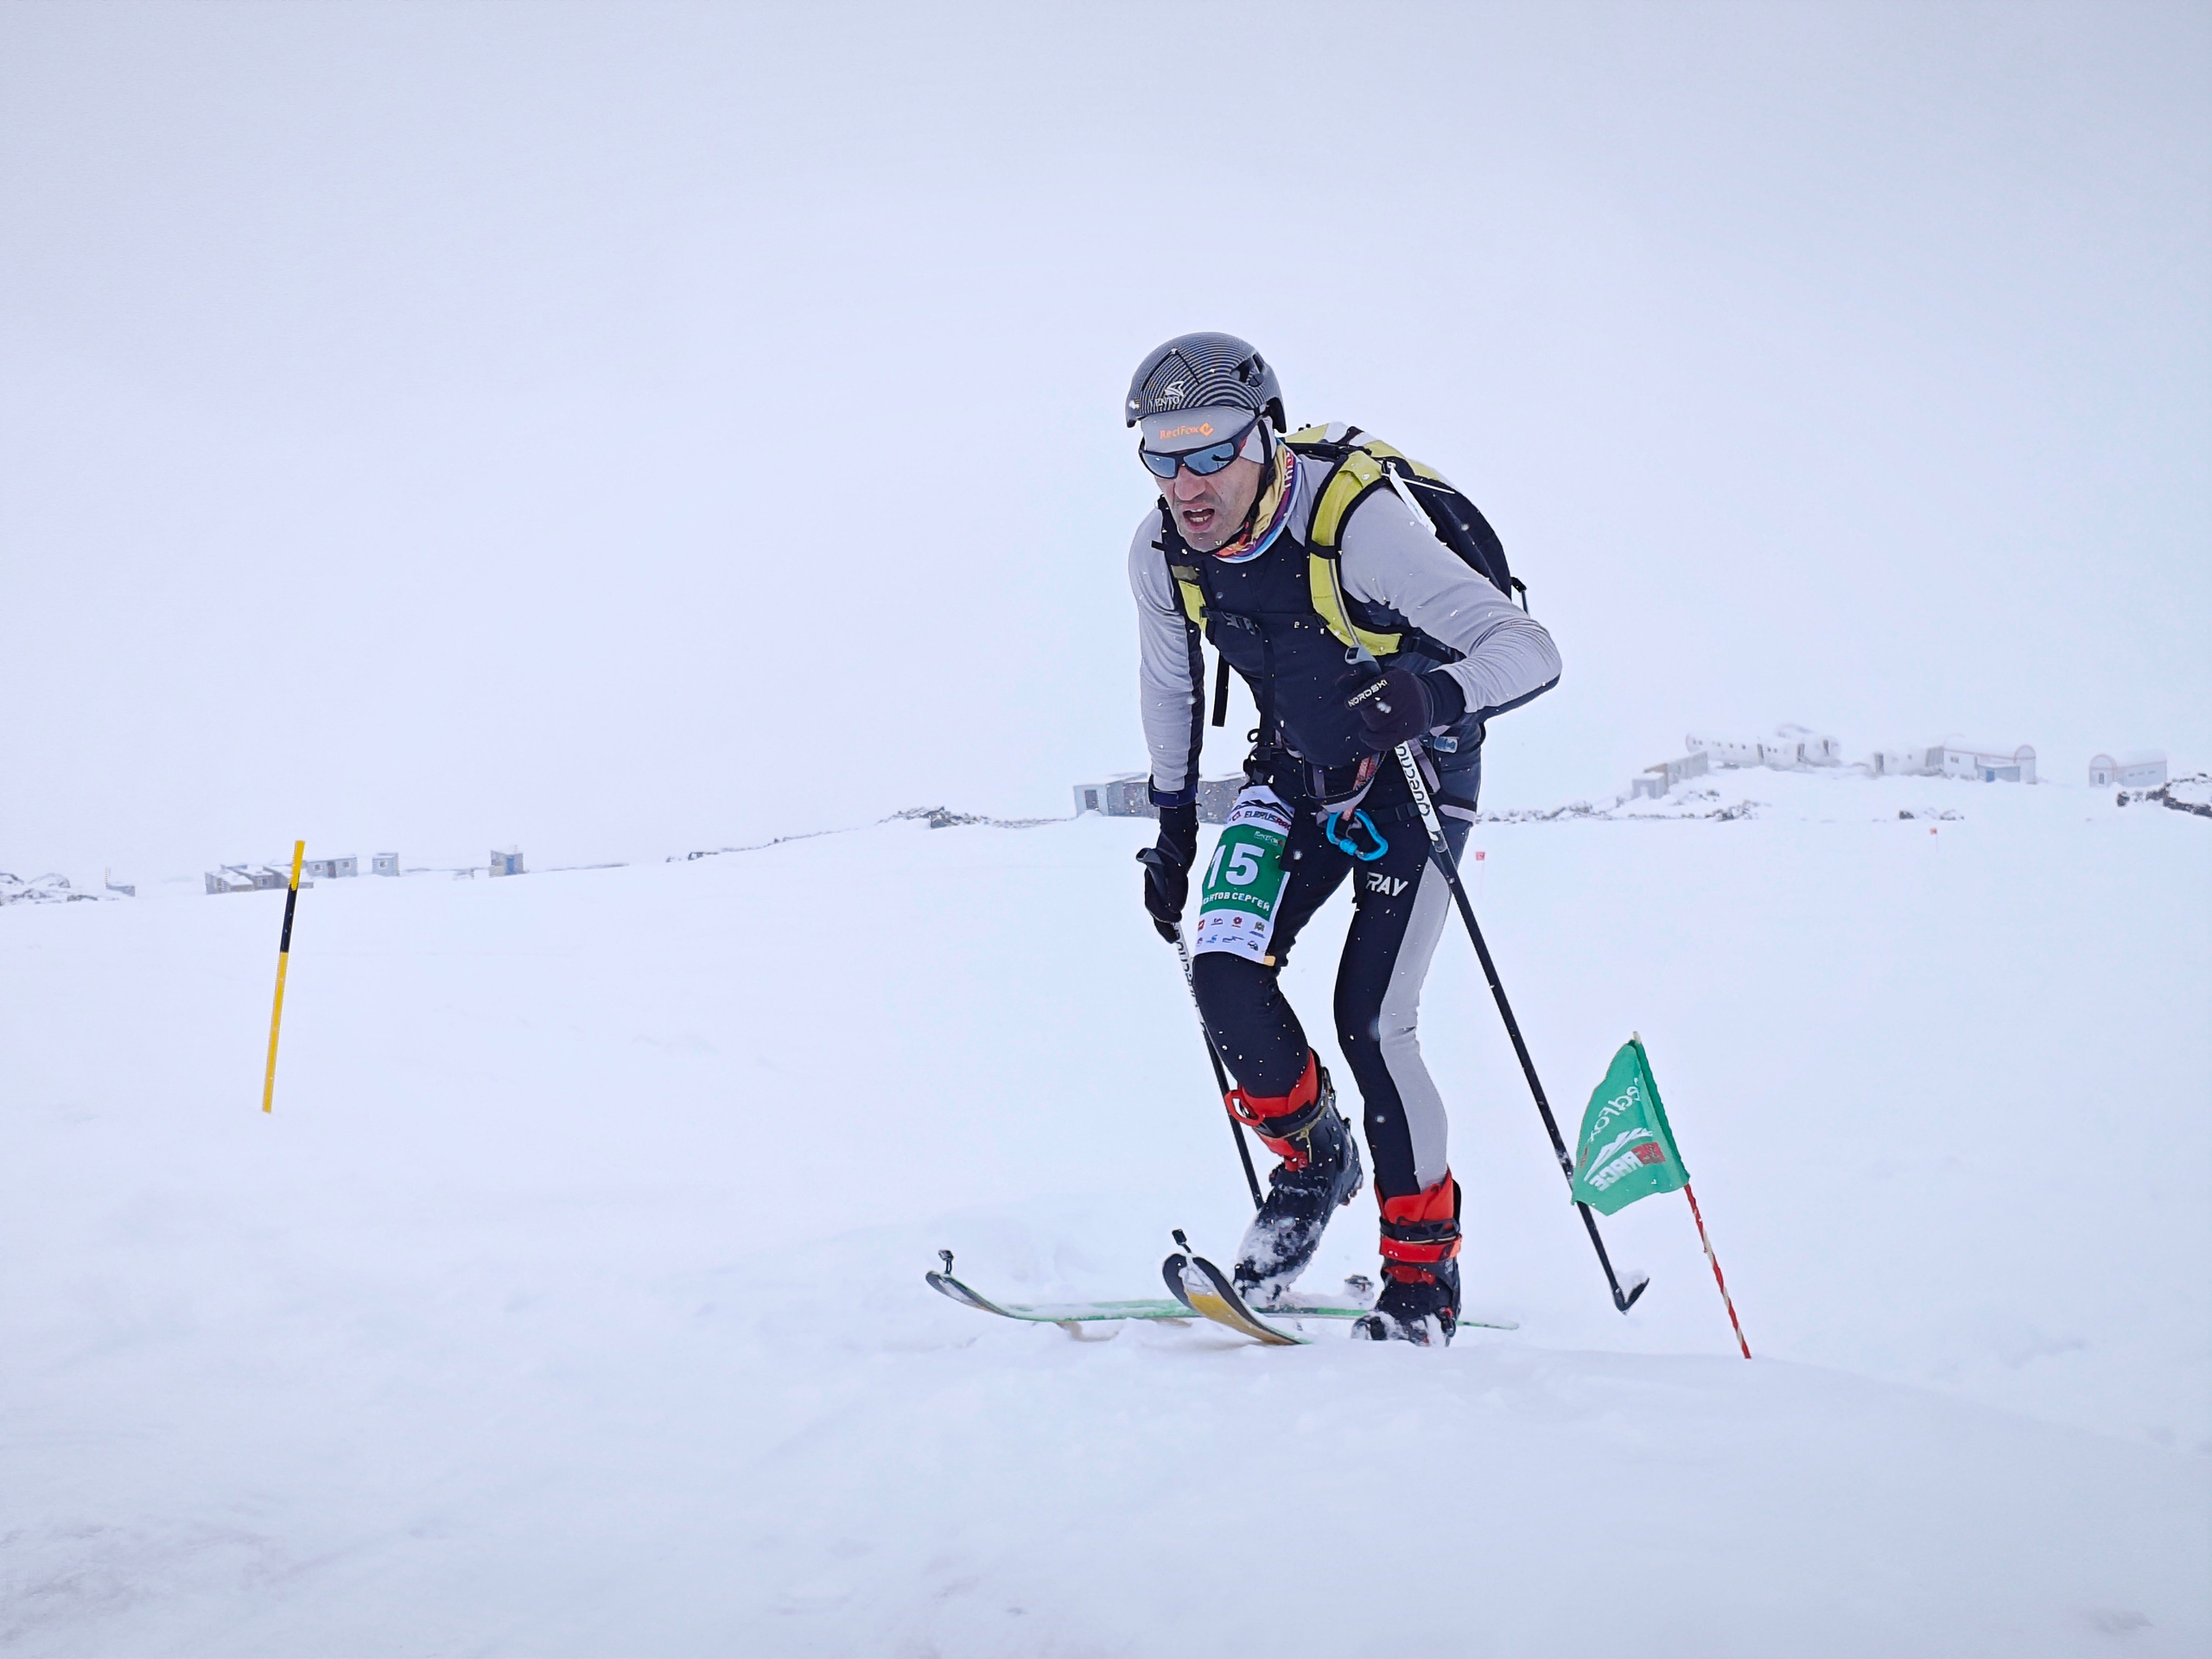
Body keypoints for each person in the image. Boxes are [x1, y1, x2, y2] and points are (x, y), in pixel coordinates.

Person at [1124, 332, 1560, 1344]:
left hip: (1414, 779)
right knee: (1224, 973)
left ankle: (1422, 1279)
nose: (1184, 480)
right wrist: (1176, 828)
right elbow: (1171, 684)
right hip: (1289, 777)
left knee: (1373, 1023)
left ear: (1262, 436)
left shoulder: (1355, 522)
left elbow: (1529, 650)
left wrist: (1427, 693)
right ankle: (1315, 1163)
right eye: (1159, 452)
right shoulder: (1159, 549)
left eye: (1207, 449)